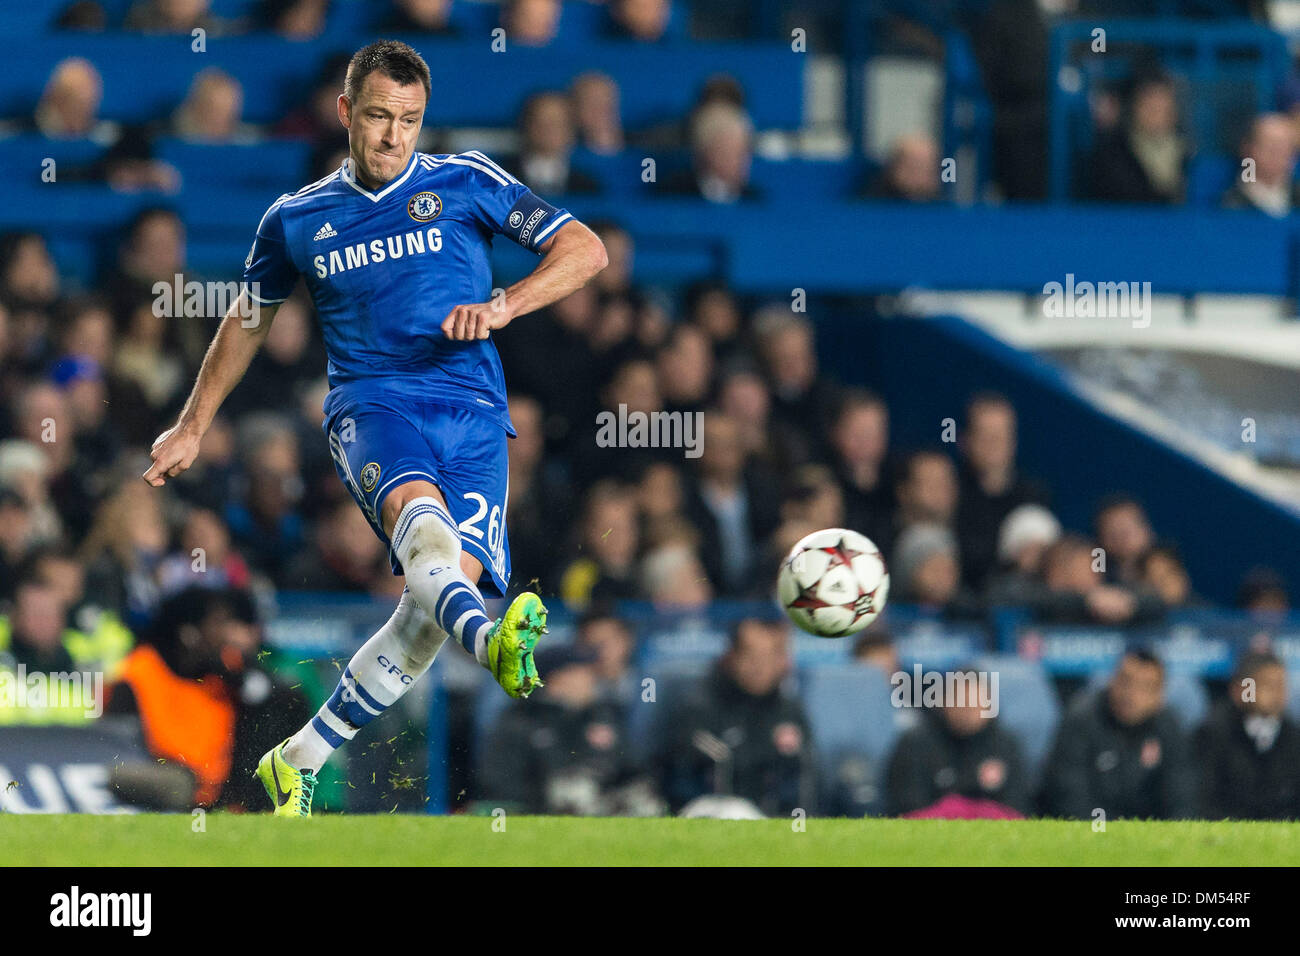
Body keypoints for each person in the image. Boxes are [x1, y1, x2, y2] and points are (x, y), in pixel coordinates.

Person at [141, 40, 608, 816]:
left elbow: (584, 249)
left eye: (411, 120)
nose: (395, 136)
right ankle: (492, 642)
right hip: (374, 408)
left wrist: (506, 305)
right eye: (380, 117)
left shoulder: (466, 179)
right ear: (345, 113)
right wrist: (193, 424)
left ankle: (297, 760)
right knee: (430, 548)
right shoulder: (296, 219)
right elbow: (248, 320)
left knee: (425, 615)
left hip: (476, 416)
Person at [1040, 650, 1196, 820]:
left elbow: (1181, 795)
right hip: (1094, 830)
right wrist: (1104, 833)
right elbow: (1070, 796)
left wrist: (1165, 837)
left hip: (1145, 833)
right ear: (1112, 681)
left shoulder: (1168, 726)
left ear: (1159, 696)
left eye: (1145, 687)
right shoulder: (1082, 719)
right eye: (1125, 681)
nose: (1131, 695)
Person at [1197, 651, 1300, 820]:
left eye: (1280, 685)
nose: (1276, 693)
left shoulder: (1294, 736)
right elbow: (1203, 798)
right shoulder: (1213, 733)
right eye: (1267, 685)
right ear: (1240, 689)